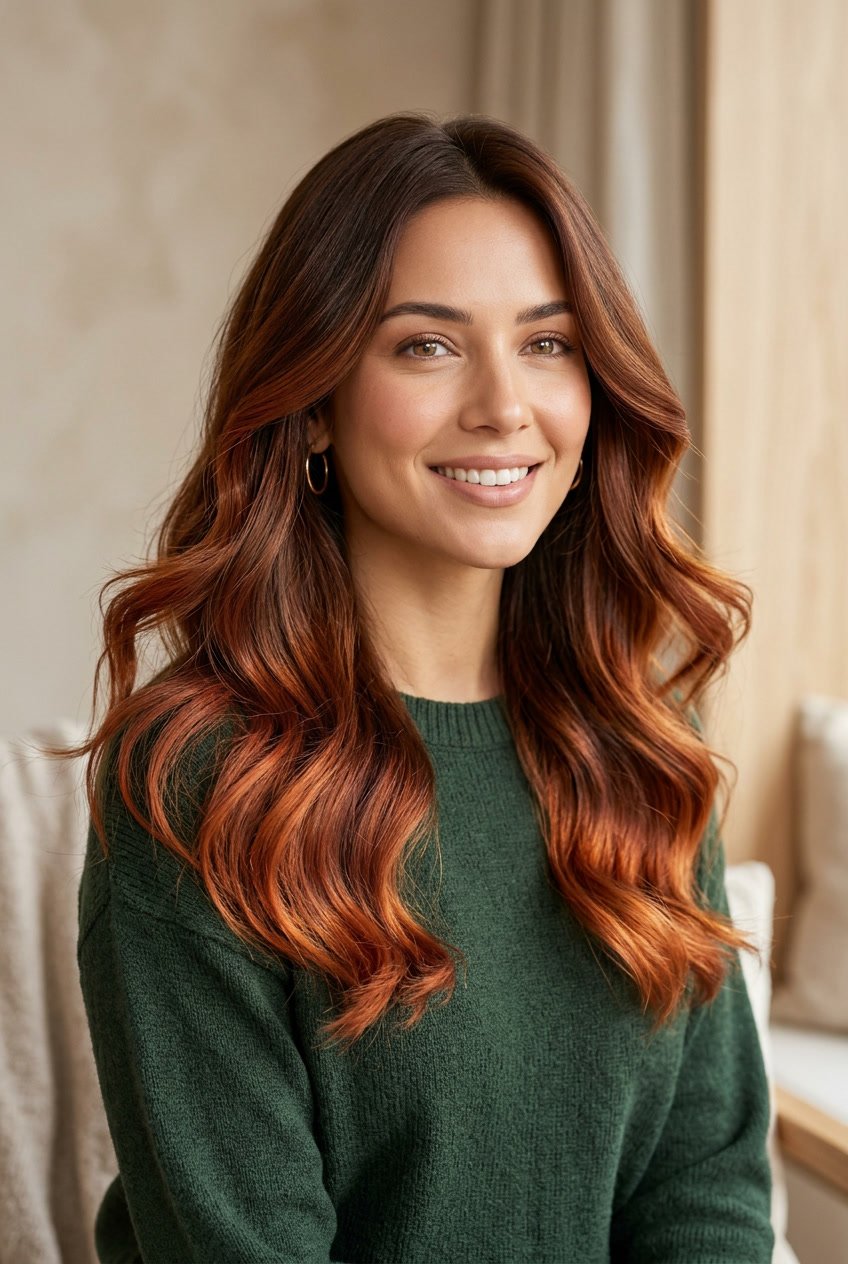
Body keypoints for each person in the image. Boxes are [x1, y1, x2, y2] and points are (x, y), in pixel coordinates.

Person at [59, 111, 774, 1261]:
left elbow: (706, 1200)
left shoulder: (640, 753)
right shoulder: (196, 786)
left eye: (546, 343)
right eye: (426, 346)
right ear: (310, 403)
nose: (502, 404)